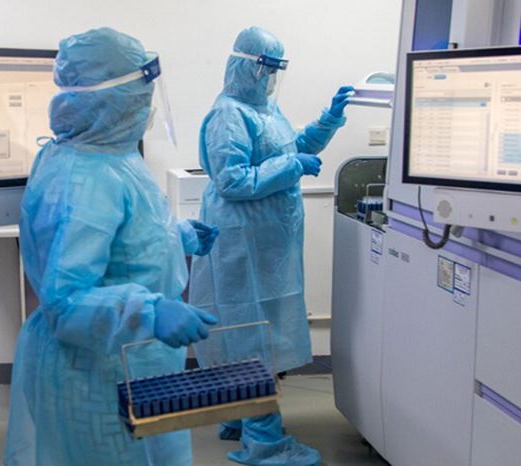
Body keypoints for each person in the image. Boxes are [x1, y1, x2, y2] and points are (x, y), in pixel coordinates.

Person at [3, 28, 220, 466]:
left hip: (136, 361)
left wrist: (178, 236)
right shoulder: (85, 177)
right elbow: (65, 302)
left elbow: (128, 241)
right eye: (140, 95)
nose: (147, 106)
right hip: (97, 372)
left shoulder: (109, 154)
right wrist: (149, 312)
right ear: (112, 100)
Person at [189, 26, 353, 466]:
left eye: (277, 70)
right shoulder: (228, 115)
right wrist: (292, 166)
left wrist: (329, 121)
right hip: (242, 244)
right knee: (249, 336)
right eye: (266, 69)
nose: (271, 78)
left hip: (267, 245)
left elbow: (289, 147)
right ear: (245, 66)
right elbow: (233, 180)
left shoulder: (265, 110)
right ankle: (264, 441)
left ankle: (240, 417)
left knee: (256, 330)